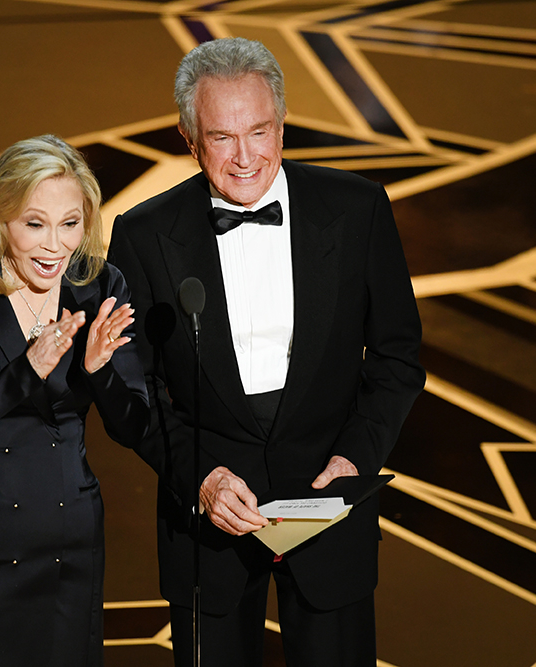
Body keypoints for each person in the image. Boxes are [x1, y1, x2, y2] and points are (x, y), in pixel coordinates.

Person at [107, 38, 425, 666]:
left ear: (282, 127)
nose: (245, 157)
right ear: (189, 139)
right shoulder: (142, 236)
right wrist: (197, 478)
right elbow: (129, 389)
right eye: (222, 137)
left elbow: (397, 356)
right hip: (209, 523)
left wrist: (355, 459)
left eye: (259, 131)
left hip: (330, 505)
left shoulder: (358, 209)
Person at [0, 134, 149, 667]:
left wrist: (99, 372)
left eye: (70, 224)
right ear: (0, 219)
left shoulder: (101, 286)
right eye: (35, 224)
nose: (55, 247)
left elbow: (135, 427)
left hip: (64, 538)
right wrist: (26, 371)